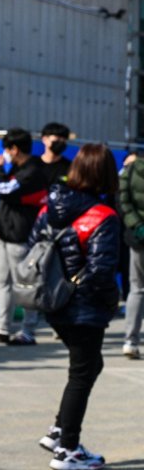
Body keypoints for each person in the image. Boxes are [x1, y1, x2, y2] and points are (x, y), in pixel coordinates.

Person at [31, 144, 119, 470]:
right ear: (105, 174)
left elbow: (34, 249)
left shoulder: (48, 208)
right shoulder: (102, 216)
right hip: (84, 307)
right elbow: (101, 270)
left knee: (89, 366)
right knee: (82, 373)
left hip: (53, 301)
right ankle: (67, 449)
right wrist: (111, 301)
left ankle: (59, 430)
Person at [0, 127, 49, 346]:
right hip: (5, 232)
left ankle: (28, 330)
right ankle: (3, 328)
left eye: (7, 150)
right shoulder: (19, 168)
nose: (5, 154)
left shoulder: (33, 171)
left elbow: (5, 189)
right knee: (2, 281)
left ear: (15, 149)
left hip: (21, 235)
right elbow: (9, 201)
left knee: (25, 283)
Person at [118, 152, 144, 359]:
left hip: (138, 238)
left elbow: (123, 201)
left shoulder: (131, 169)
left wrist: (137, 225)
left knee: (137, 288)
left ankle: (130, 340)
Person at [40, 122, 72, 186]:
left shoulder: (70, 168)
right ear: (44, 139)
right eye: (58, 137)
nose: (61, 141)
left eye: (64, 139)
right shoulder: (33, 165)